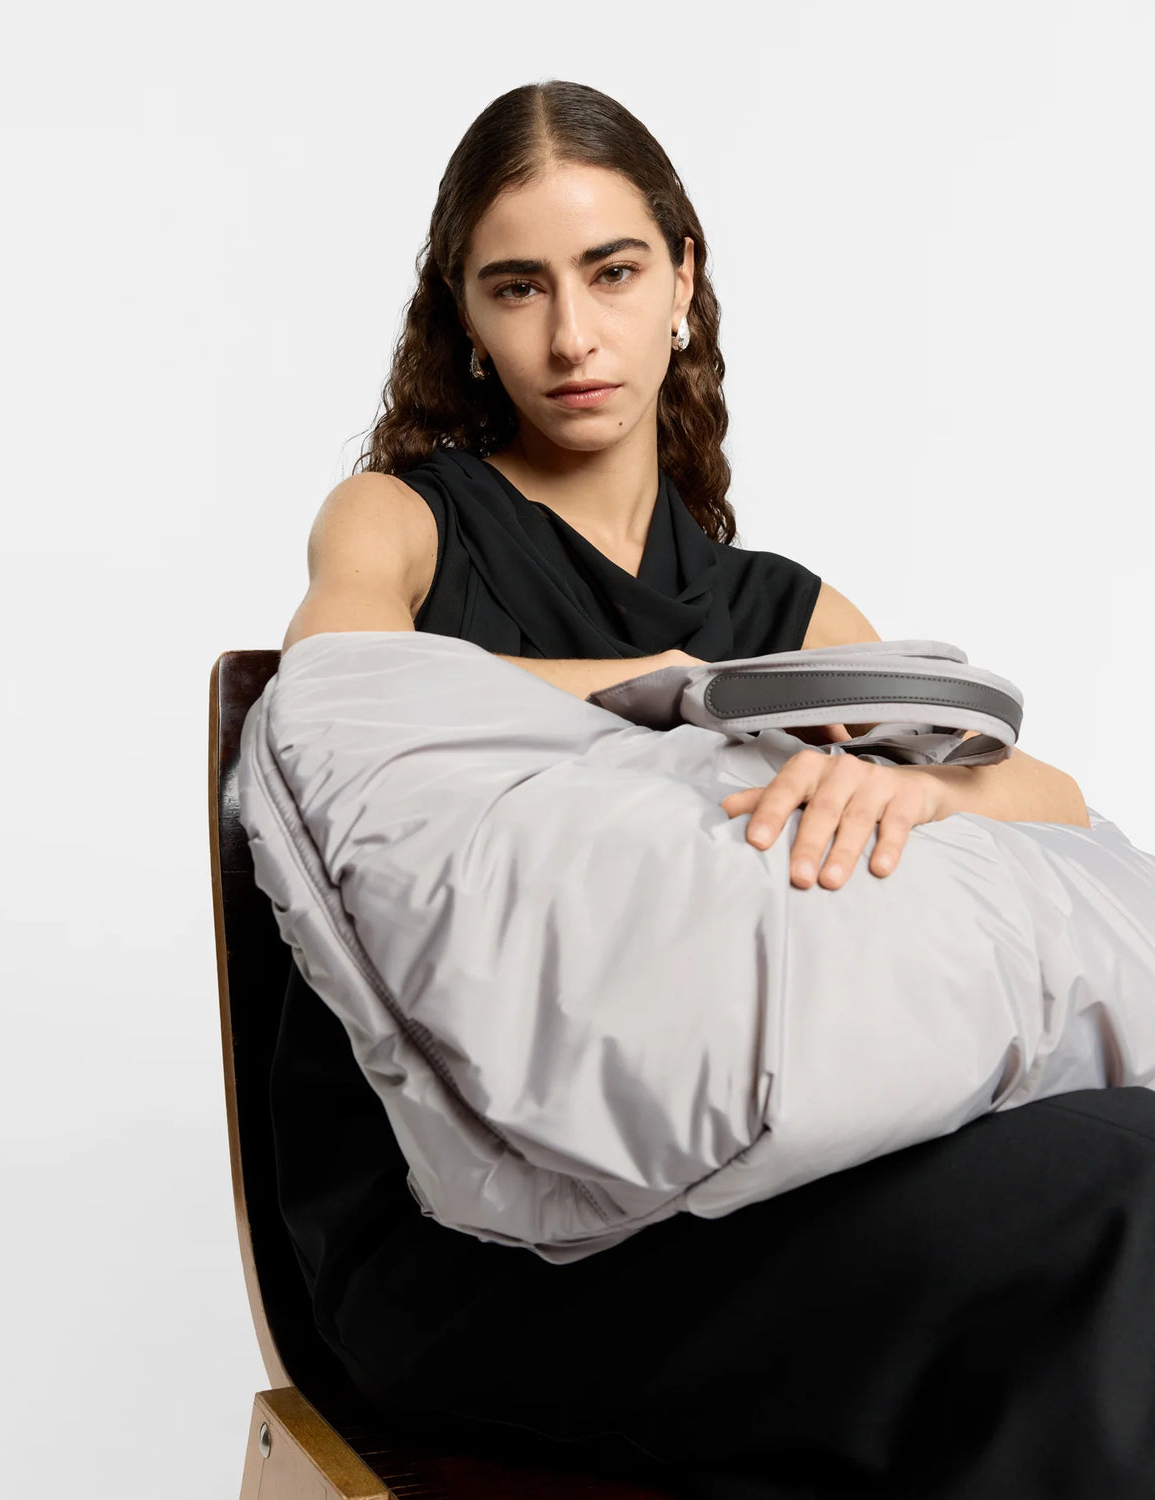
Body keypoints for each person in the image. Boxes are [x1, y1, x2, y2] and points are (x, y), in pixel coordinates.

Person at [269, 79, 1155, 1499]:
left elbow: (1046, 792)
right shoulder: (407, 520)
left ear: (684, 277)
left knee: (1129, 1154)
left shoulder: (789, 612)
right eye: (518, 288)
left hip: (767, 1157)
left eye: (613, 272)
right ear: (468, 323)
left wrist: (933, 801)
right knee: (1110, 1219)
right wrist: (685, 692)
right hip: (482, 1236)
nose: (572, 334)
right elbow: (329, 682)